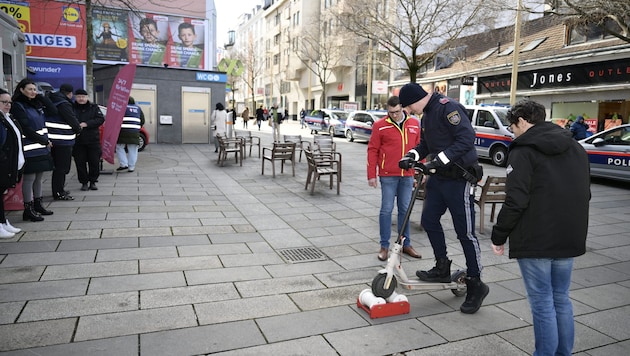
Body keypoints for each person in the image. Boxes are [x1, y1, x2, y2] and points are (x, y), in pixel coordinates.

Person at [491, 100, 590, 356]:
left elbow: (515, 199)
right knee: (561, 299)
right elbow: (585, 194)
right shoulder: (575, 147)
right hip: (568, 235)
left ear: (522, 121)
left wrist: (499, 234)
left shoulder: (523, 150)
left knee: (543, 303)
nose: (512, 133)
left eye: (513, 127)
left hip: (535, 237)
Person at [398, 82, 488, 314]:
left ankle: (476, 284)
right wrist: (412, 155)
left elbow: (466, 139)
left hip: (459, 179)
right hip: (439, 179)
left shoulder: (449, 107)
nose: (407, 111)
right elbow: (427, 144)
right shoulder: (427, 115)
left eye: (408, 106)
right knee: (429, 220)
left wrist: (438, 161)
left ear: (416, 99)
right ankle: (442, 266)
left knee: (465, 233)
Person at [367, 95, 422, 261]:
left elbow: (421, 147)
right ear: (387, 111)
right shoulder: (380, 126)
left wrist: (420, 167)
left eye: (397, 111)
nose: (395, 115)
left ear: (402, 108)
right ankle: (384, 246)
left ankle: (405, 244)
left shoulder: (414, 124)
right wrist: (371, 175)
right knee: (386, 209)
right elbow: (372, 150)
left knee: (405, 210)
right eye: (391, 112)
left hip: (407, 175)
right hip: (388, 175)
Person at [10, 79, 57, 222]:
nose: (33, 92)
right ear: (22, 90)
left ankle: (38, 204)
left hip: (41, 147)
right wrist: (43, 140)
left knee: (39, 178)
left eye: (35, 89)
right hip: (29, 147)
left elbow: (53, 111)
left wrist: (41, 96)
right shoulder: (18, 105)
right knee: (29, 178)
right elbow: (25, 127)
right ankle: (28, 209)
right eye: (30, 89)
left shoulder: (36, 104)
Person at [46, 83, 82, 201]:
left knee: (58, 168)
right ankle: (59, 192)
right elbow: (71, 119)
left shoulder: (52, 100)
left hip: (54, 139)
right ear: (70, 93)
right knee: (62, 168)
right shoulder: (64, 103)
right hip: (63, 140)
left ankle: (58, 189)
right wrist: (78, 129)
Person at [0, 88, 24, 237]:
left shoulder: (7, 117)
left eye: (10, 102)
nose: (8, 105)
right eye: (4, 102)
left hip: (9, 164)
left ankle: (2, 222)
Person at [72, 89, 105, 191]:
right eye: (79, 97)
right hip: (78, 141)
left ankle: (93, 181)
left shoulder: (94, 107)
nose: (81, 99)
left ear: (87, 97)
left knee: (94, 162)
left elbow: (100, 119)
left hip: (93, 140)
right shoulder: (72, 108)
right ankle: (84, 182)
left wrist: (87, 124)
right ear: (75, 97)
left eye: (83, 97)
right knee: (80, 163)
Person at [116, 97, 145, 172]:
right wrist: (137, 127)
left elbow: (116, 119)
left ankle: (123, 164)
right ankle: (131, 167)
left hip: (122, 131)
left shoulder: (122, 107)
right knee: (133, 150)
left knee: (119, 147)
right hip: (134, 132)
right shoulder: (138, 108)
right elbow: (142, 120)